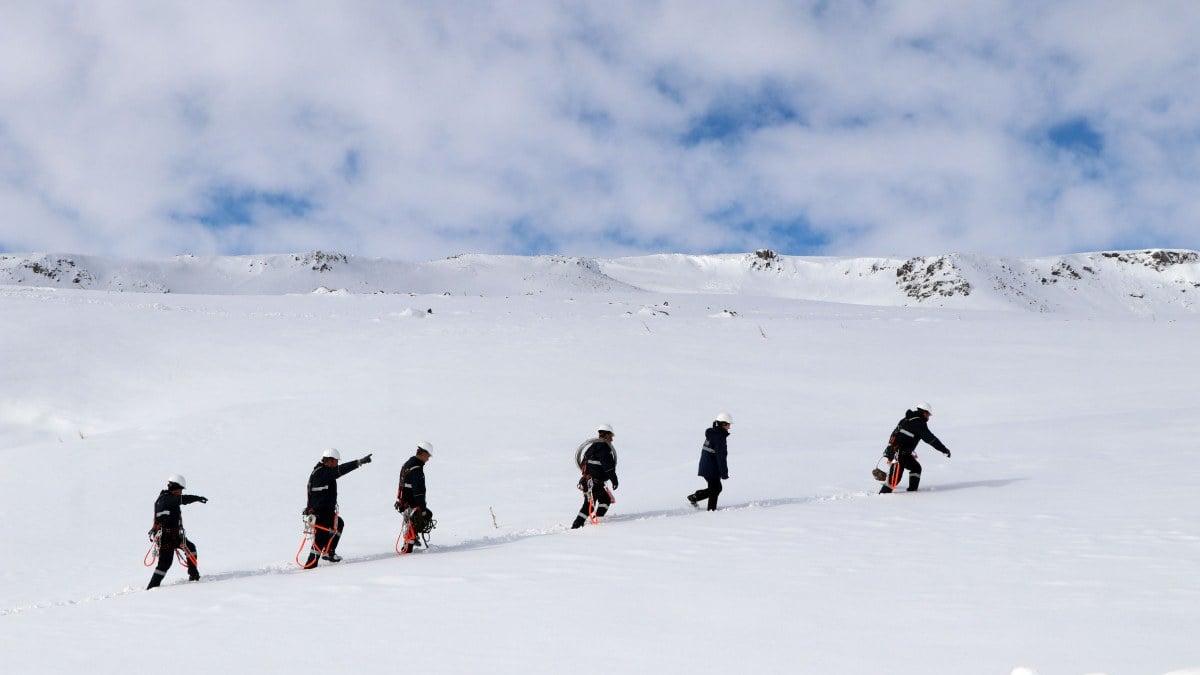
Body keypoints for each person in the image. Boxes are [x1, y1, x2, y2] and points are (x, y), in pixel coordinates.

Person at [304, 447, 372, 567]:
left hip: (326, 512)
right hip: (321, 513)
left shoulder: (323, 471)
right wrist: (358, 463)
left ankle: (329, 552)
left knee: (339, 524)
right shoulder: (322, 473)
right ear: (329, 461)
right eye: (336, 461)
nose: (337, 464)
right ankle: (310, 566)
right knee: (320, 539)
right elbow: (340, 470)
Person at [147, 474, 208, 589]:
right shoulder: (166, 499)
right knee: (165, 564)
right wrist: (197, 498)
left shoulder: (169, 499)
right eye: (180, 489)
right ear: (175, 487)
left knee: (191, 548)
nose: (181, 492)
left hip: (174, 536)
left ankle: (194, 576)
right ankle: (152, 588)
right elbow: (183, 500)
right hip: (166, 538)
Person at [880, 402, 951, 493]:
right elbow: (931, 439)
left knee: (916, 468)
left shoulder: (906, 419)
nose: (928, 417)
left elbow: (894, 435)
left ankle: (913, 493)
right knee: (893, 481)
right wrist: (944, 450)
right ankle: (880, 498)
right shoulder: (919, 423)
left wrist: (890, 450)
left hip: (901, 453)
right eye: (928, 414)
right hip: (899, 454)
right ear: (924, 412)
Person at [571, 424, 619, 529]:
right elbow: (609, 468)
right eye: (611, 436)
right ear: (606, 435)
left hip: (588, 481)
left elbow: (584, 462)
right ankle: (576, 526)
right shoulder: (604, 449)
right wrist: (615, 480)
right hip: (594, 483)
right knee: (588, 505)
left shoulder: (593, 447)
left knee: (604, 500)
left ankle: (596, 518)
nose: (612, 439)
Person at [394, 442, 434, 553]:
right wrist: (422, 508)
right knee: (422, 518)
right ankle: (408, 548)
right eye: (428, 456)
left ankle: (408, 545)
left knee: (410, 525)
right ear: (423, 453)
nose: (428, 459)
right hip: (412, 503)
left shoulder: (408, 464)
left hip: (405, 502)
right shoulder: (416, 468)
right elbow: (418, 491)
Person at [688, 413, 732, 510]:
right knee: (715, 489)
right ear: (723, 424)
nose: (730, 426)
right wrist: (724, 473)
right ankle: (711, 511)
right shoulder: (719, 437)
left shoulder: (713, 434)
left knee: (716, 488)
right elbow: (721, 457)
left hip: (706, 466)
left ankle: (695, 497)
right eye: (729, 424)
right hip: (711, 468)